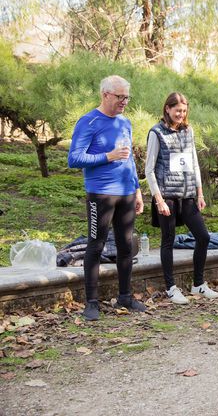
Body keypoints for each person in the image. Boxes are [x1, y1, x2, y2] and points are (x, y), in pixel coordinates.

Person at [68, 75, 146, 321]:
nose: (124, 101)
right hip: (100, 193)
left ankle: (125, 296)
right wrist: (107, 156)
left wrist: (137, 190)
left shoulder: (125, 122)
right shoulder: (88, 121)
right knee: (96, 244)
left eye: (127, 97)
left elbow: (130, 159)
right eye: (120, 97)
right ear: (105, 95)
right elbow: (74, 159)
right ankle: (91, 302)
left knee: (126, 246)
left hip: (126, 192)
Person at [145, 92, 218, 305]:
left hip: (188, 195)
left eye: (184, 111)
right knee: (167, 240)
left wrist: (200, 192)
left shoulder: (188, 131)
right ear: (167, 109)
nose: (181, 114)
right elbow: (149, 170)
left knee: (203, 237)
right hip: (167, 195)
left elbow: (194, 162)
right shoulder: (156, 133)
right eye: (177, 110)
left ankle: (198, 284)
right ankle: (171, 288)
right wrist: (158, 199)